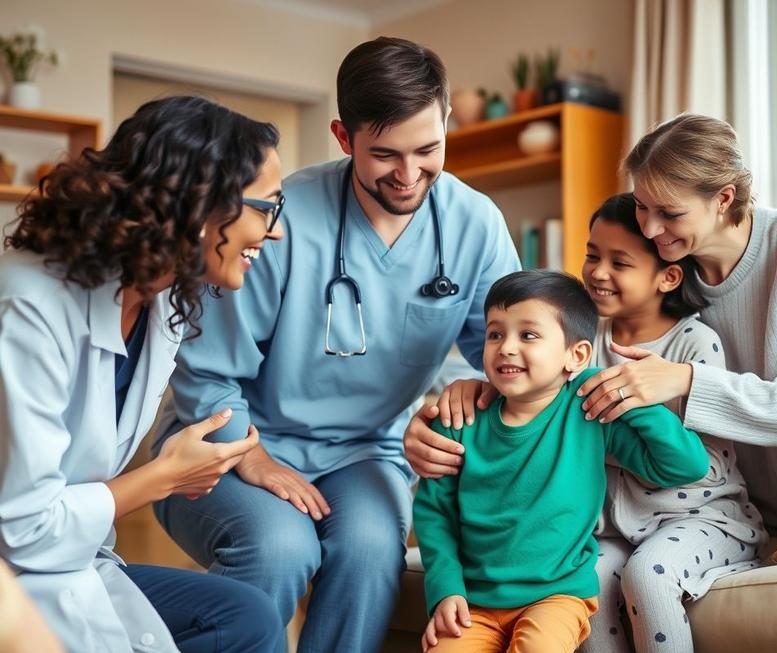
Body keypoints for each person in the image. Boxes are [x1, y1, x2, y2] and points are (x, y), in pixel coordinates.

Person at [403, 113, 777, 649]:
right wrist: (472, 392)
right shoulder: (641, 284)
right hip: (627, 520)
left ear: (724, 199)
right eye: (642, 206)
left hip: (730, 506)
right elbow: (539, 374)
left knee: (646, 576)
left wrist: (685, 383)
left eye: (667, 212)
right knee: (584, 588)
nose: (648, 229)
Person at [151, 37, 521, 653]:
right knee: (279, 547)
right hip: (227, 436)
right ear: (344, 138)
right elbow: (207, 368)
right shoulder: (281, 216)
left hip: (364, 452)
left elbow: (509, 353)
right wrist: (250, 456)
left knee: (372, 549)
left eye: (428, 149)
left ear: (448, 121)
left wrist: (468, 388)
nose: (408, 175)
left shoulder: (475, 224)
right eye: (385, 155)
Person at [0, 95, 283, 653]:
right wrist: (165, 477)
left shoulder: (160, 303)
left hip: (71, 562)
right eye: (266, 208)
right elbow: (23, 533)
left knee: (248, 616)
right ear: (203, 207)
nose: (274, 233)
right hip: (17, 575)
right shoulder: (28, 305)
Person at [413, 270, 710, 653]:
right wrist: (445, 589)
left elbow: (685, 466)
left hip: (556, 596)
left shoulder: (588, 410)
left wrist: (623, 390)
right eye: (495, 333)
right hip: (473, 602)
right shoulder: (460, 420)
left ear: (578, 355)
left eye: (529, 335)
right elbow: (435, 515)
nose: (505, 347)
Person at [580, 194, 765, 653]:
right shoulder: (581, 342)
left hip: (705, 518)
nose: (598, 272)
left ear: (668, 276)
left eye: (619, 262)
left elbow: (710, 466)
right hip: (615, 528)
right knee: (588, 584)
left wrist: (621, 430)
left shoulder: (695, 343)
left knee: (649, 574)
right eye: (591, 255)